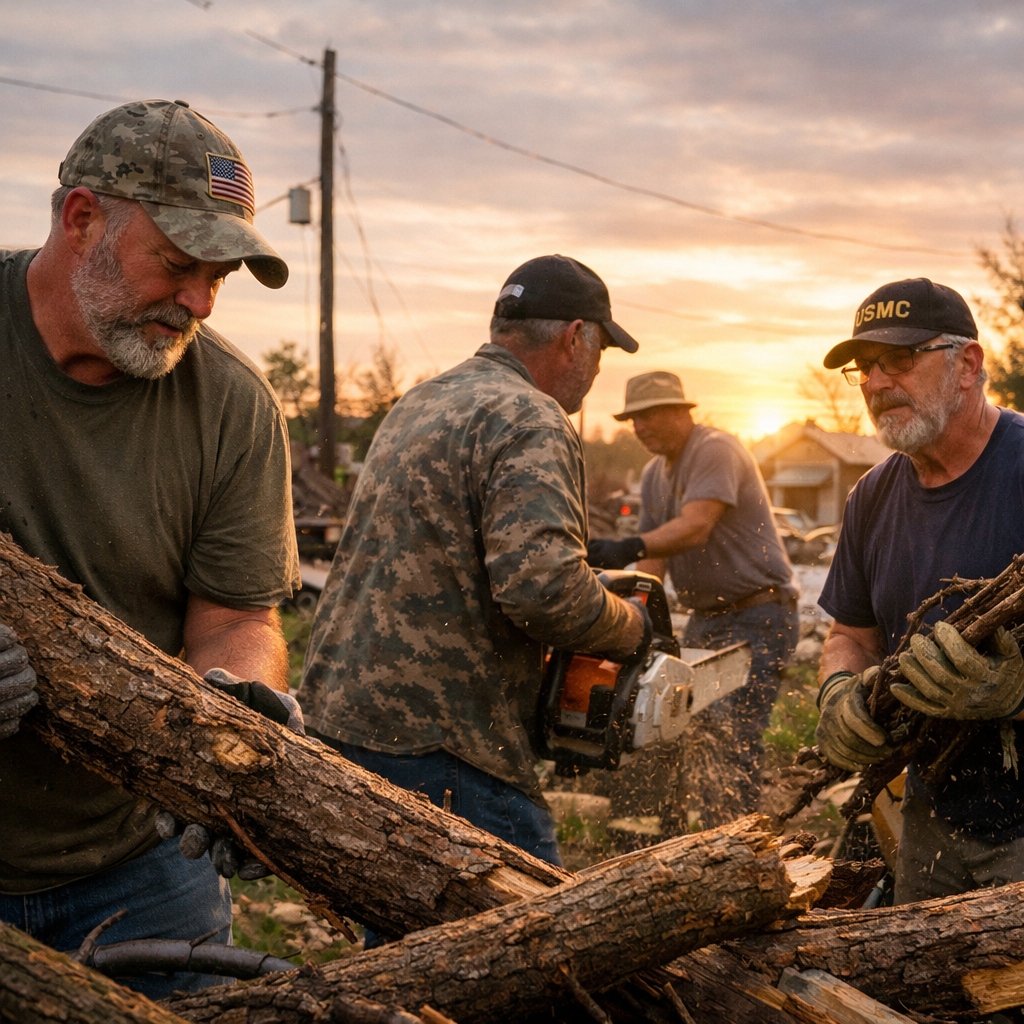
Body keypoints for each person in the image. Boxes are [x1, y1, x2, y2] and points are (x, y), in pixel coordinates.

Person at [0, 99, 301, 996]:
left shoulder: (233, 406)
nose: (200, 303)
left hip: (135, 861)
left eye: (221, 278)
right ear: (81, 217)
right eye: (177, 265)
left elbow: (239, 613)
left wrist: (241, 701)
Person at [301, 255, 650, 875]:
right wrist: (631, 627)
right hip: (444, 740)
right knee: (526, 946)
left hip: (343, 716)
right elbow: (545, 590)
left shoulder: (421, 401)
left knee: (404, 948)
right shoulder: (530, 415)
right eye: (601, 352)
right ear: (576, 338)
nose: (596, 372)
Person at [814, 277, 1024, 904]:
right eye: (865, 368)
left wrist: (1015, 694)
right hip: (931, 819)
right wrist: (836, 691)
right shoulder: (872, 497)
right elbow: (850, 634)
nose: (876, 384)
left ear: (968, 365)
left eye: (900, 360)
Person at [588, 371, 799, 800]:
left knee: (730, 736)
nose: (639, 427)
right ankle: (692, 842)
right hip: (708, 618)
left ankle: (742, 849)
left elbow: (696, 526)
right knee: (678, 727)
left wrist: (621, 546)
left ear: (680, 412)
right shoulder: (653, 473)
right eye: (633, 419)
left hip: (759, 613)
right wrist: (632, 618)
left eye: (649, 415)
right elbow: (654, 561)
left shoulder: (714, 448)